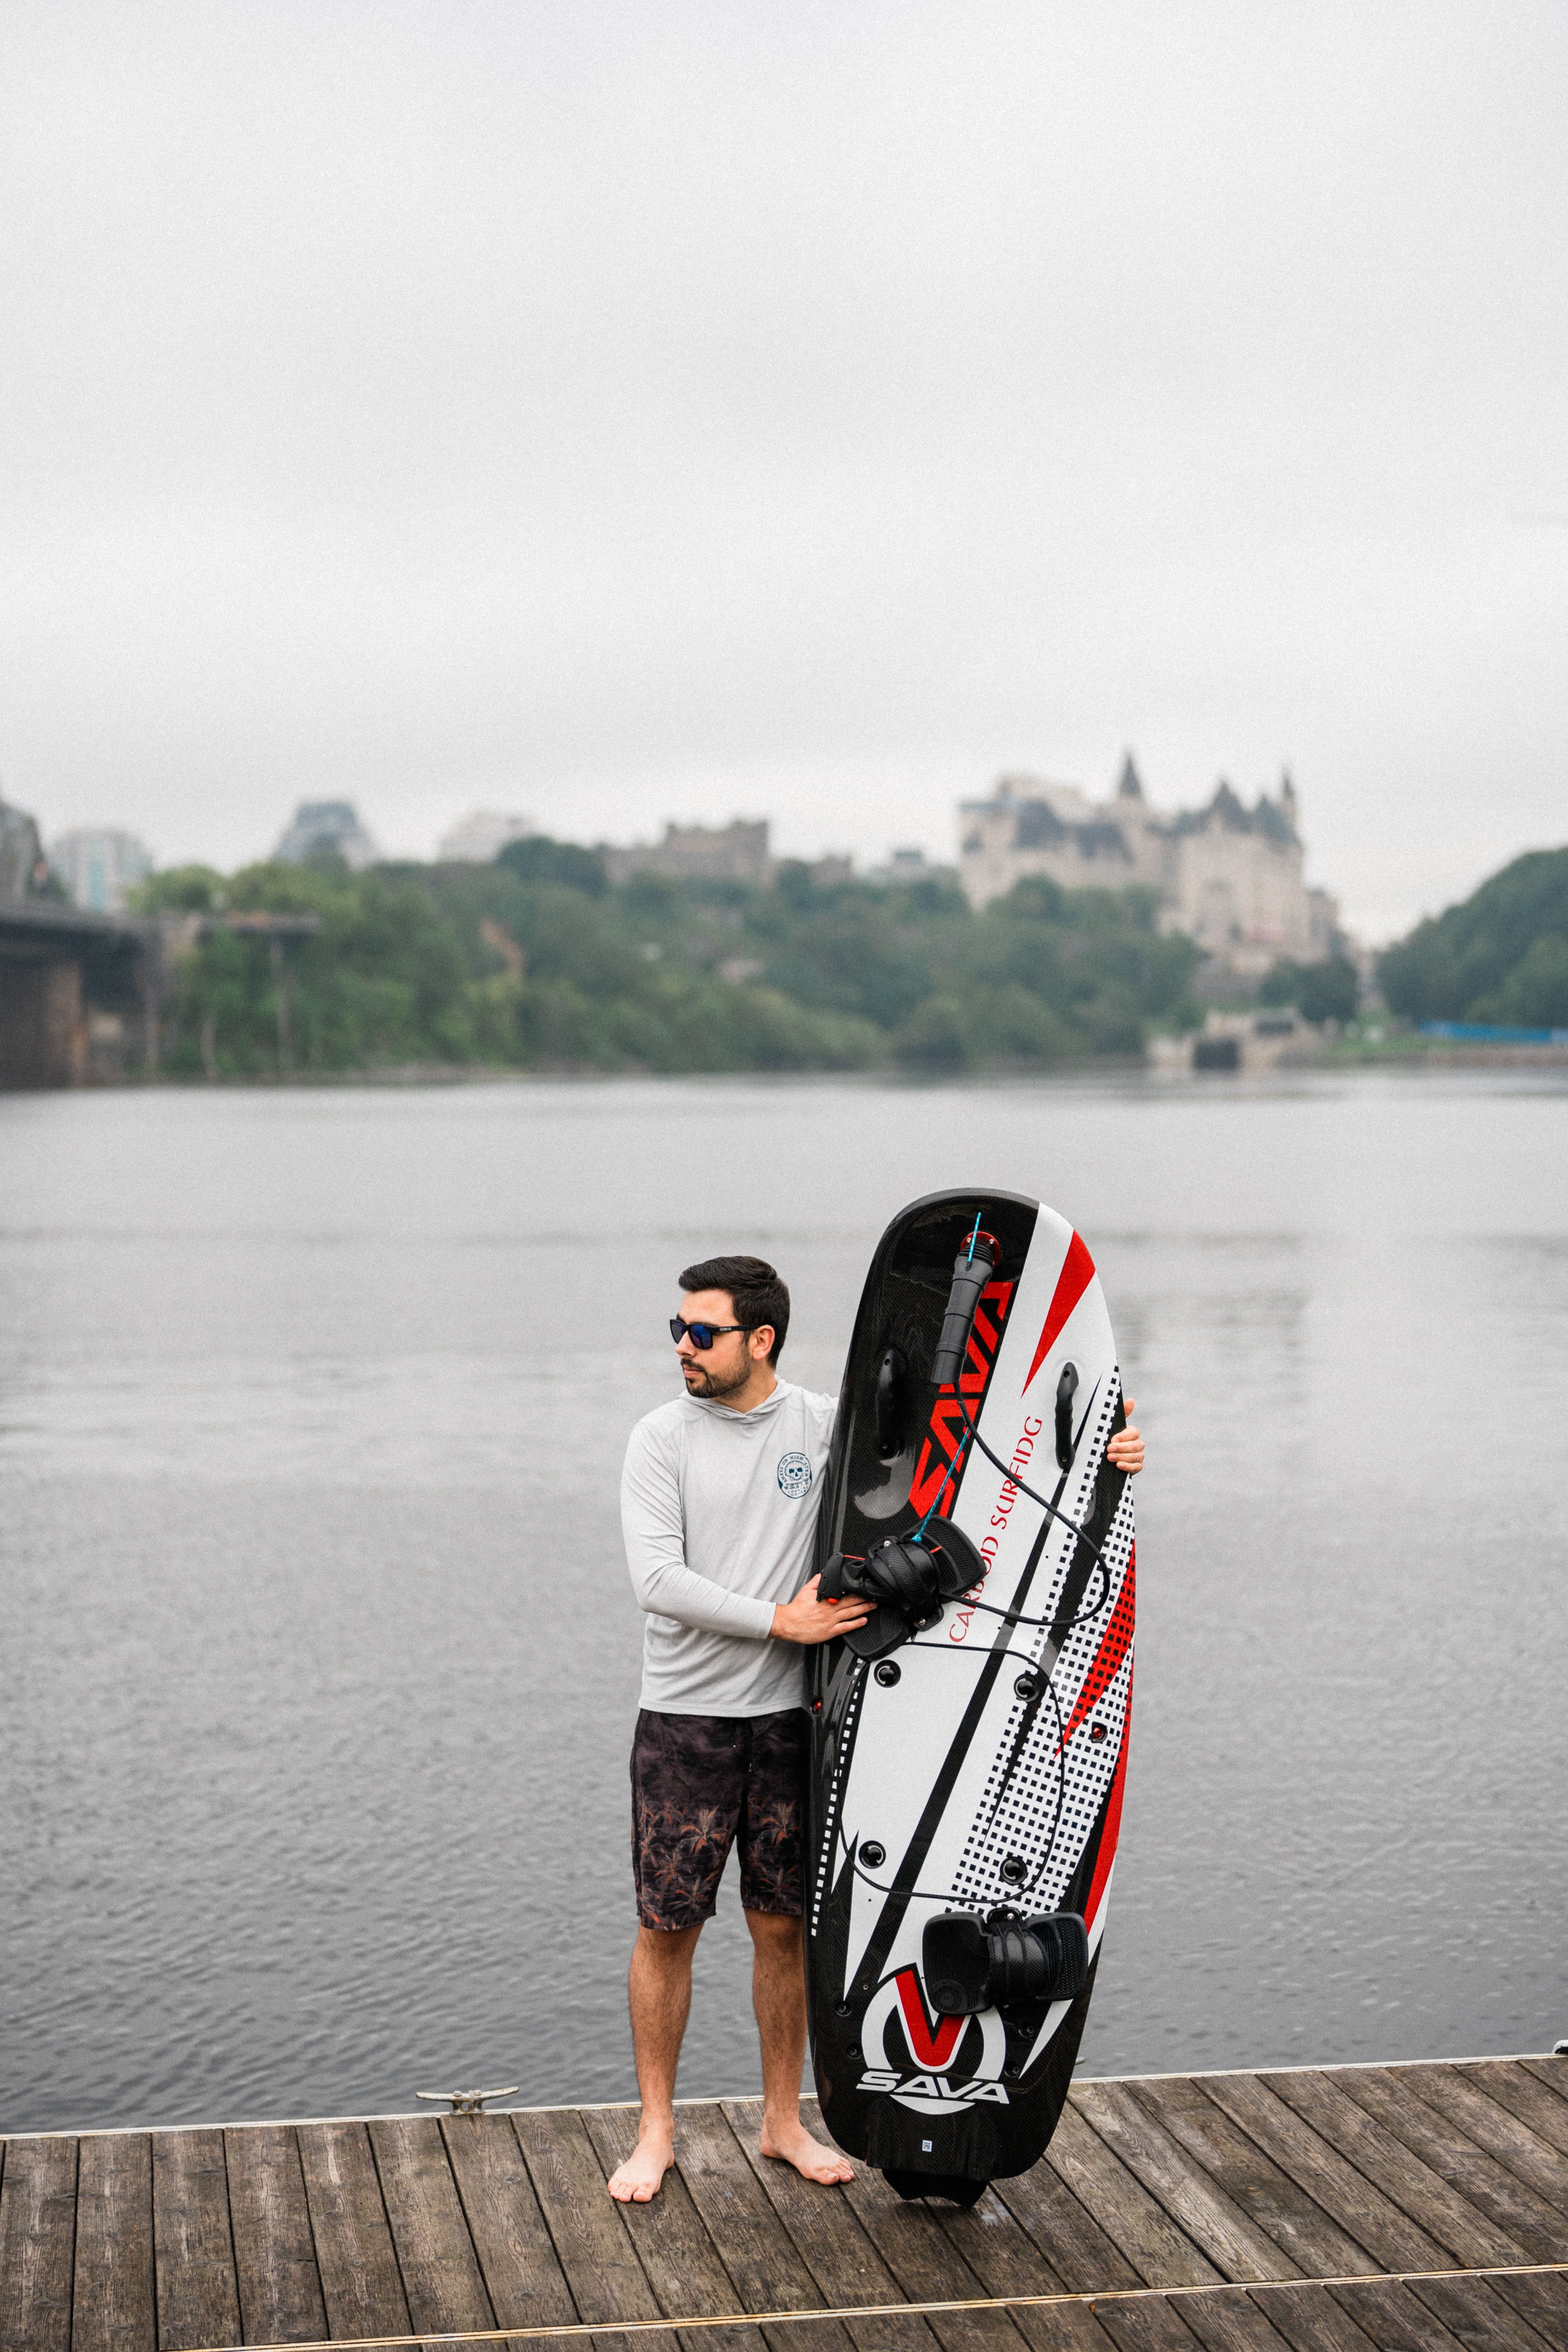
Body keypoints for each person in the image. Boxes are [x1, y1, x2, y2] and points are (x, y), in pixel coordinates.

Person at [607, 1251, 1144, 2204]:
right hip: (686, 1724)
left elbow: (974, 1470)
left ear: (759, 1340)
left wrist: (1100, 1456)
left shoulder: (827, 1428)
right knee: (668, 1932)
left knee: (786, 1933)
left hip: (789, 1723)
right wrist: (786, 1621)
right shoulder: (661, 1439)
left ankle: (782, 2122)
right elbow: (657, 1581)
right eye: (676, 1331)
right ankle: (656, 2131)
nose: (683, 1348)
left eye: (703, 1333)